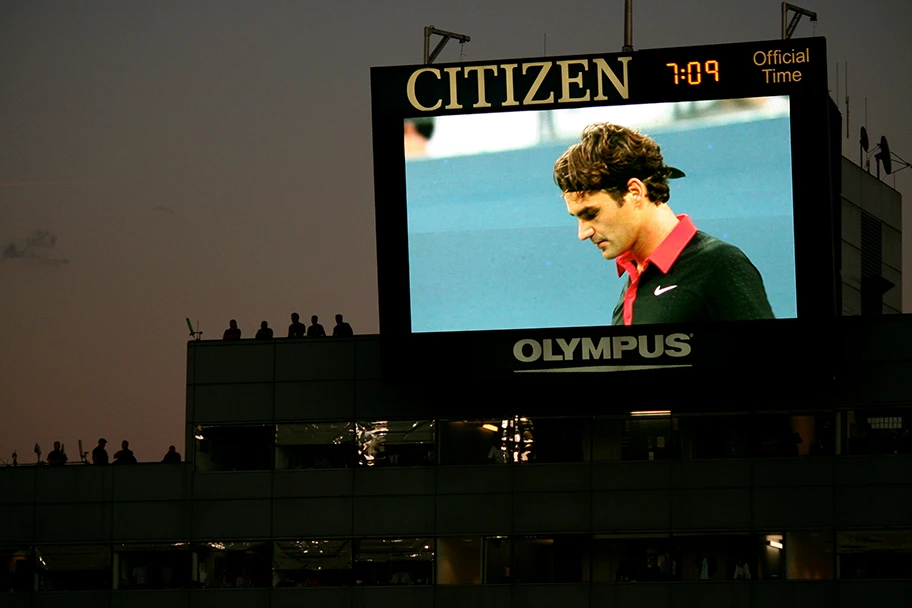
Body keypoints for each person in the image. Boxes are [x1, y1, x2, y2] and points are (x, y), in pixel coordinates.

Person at [553, 122, 774, 326]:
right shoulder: (633, 283)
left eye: (591, 214)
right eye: (577, 218)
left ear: (635, 192)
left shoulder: (719, 264)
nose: (583, 233)